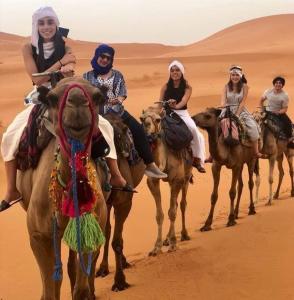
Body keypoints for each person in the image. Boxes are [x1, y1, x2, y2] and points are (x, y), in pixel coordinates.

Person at [83, 44, 167, 179]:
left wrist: (118, 100)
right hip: (96, 113)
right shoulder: (86, 76)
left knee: (139, 130)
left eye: (108, 58)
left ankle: (150, 165)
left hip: (117, 112)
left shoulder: (117, 75)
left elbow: (123, 93)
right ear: (96, 56)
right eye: (102, 56)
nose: (104, 60)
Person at [159, 60, 206, 173]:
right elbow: (160, 102)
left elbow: (183, 102)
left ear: (182, 72)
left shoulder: (187, 87)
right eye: (172, 70)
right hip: (166, 112)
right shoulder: (165, 86)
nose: (175, 72)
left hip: (181, 113)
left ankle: (197, 159)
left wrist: (175, 106)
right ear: (170, 72)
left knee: (195, 131)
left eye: (177, 70)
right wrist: (164, 106)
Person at [220, 65, 263, 158]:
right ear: (230, 76)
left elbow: (242, 102)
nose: (235, 77)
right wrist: (224, 106)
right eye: (233, 75)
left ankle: (256, 151)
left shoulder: (245, 87)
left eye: (237, 75)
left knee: (253, 128)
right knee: (215, 128)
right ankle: (212, 155)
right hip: (227, 110)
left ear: (241, 76)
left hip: (241, 110)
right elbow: (223, 101)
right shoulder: (226, 87)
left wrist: (237, 115)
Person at [260, 76, 294, 148]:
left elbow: (285, 109)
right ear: (274, 84)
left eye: (280, 83)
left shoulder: (285, 96)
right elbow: (261, 100)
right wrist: (262, 110)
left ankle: (290, 140)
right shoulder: (268, 91)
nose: (278, 84)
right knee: (256, 121)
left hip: (279, 113)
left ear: (282, 85)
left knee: (288, 123)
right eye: (276, 83)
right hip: (267, 112)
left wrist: (278, 112)